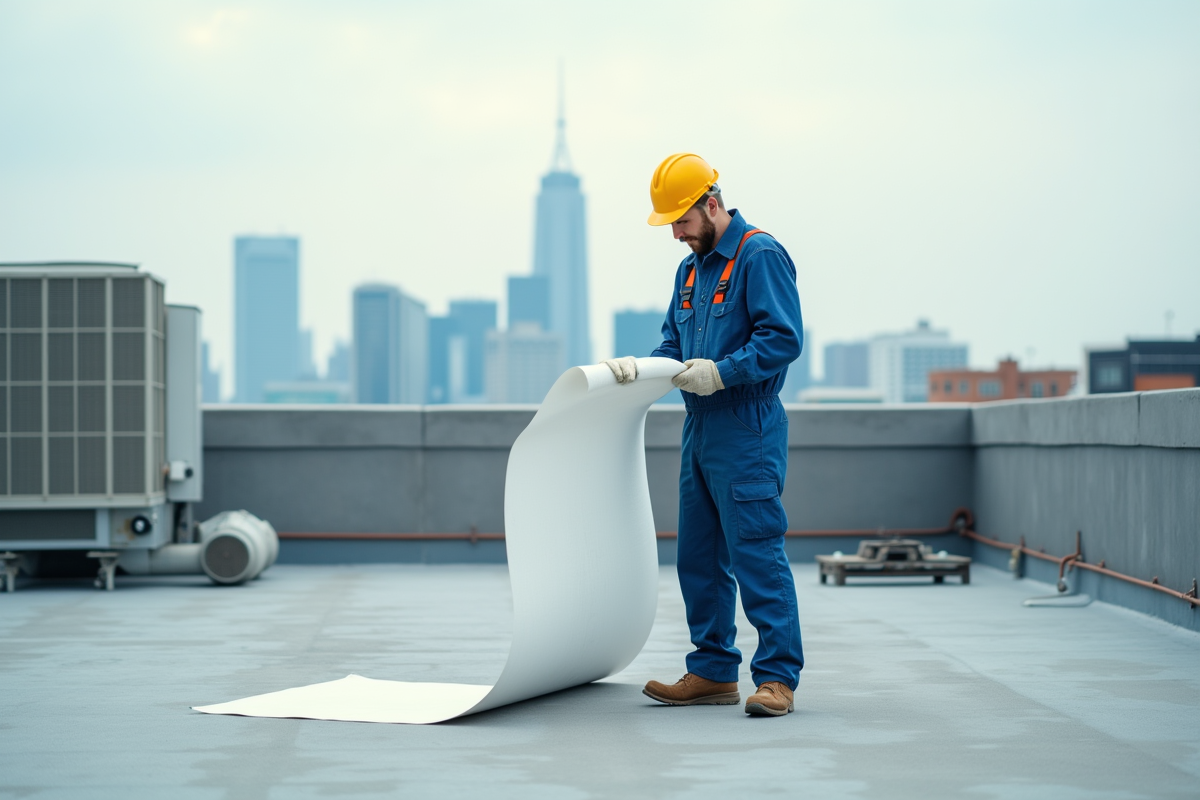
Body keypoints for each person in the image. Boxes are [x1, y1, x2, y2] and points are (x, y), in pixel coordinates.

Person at [602, 153, 804, 717]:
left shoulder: (758, 254)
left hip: (747, 424)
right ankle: (713, 671)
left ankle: (777, 679)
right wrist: (640, 370)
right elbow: (673, 342)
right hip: (700, 427)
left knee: (756, 553)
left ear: (711, 203)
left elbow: (783, 339)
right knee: (699, 554)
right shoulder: (689, 269)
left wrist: (724, 372)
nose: (675, 233)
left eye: (681, 220)